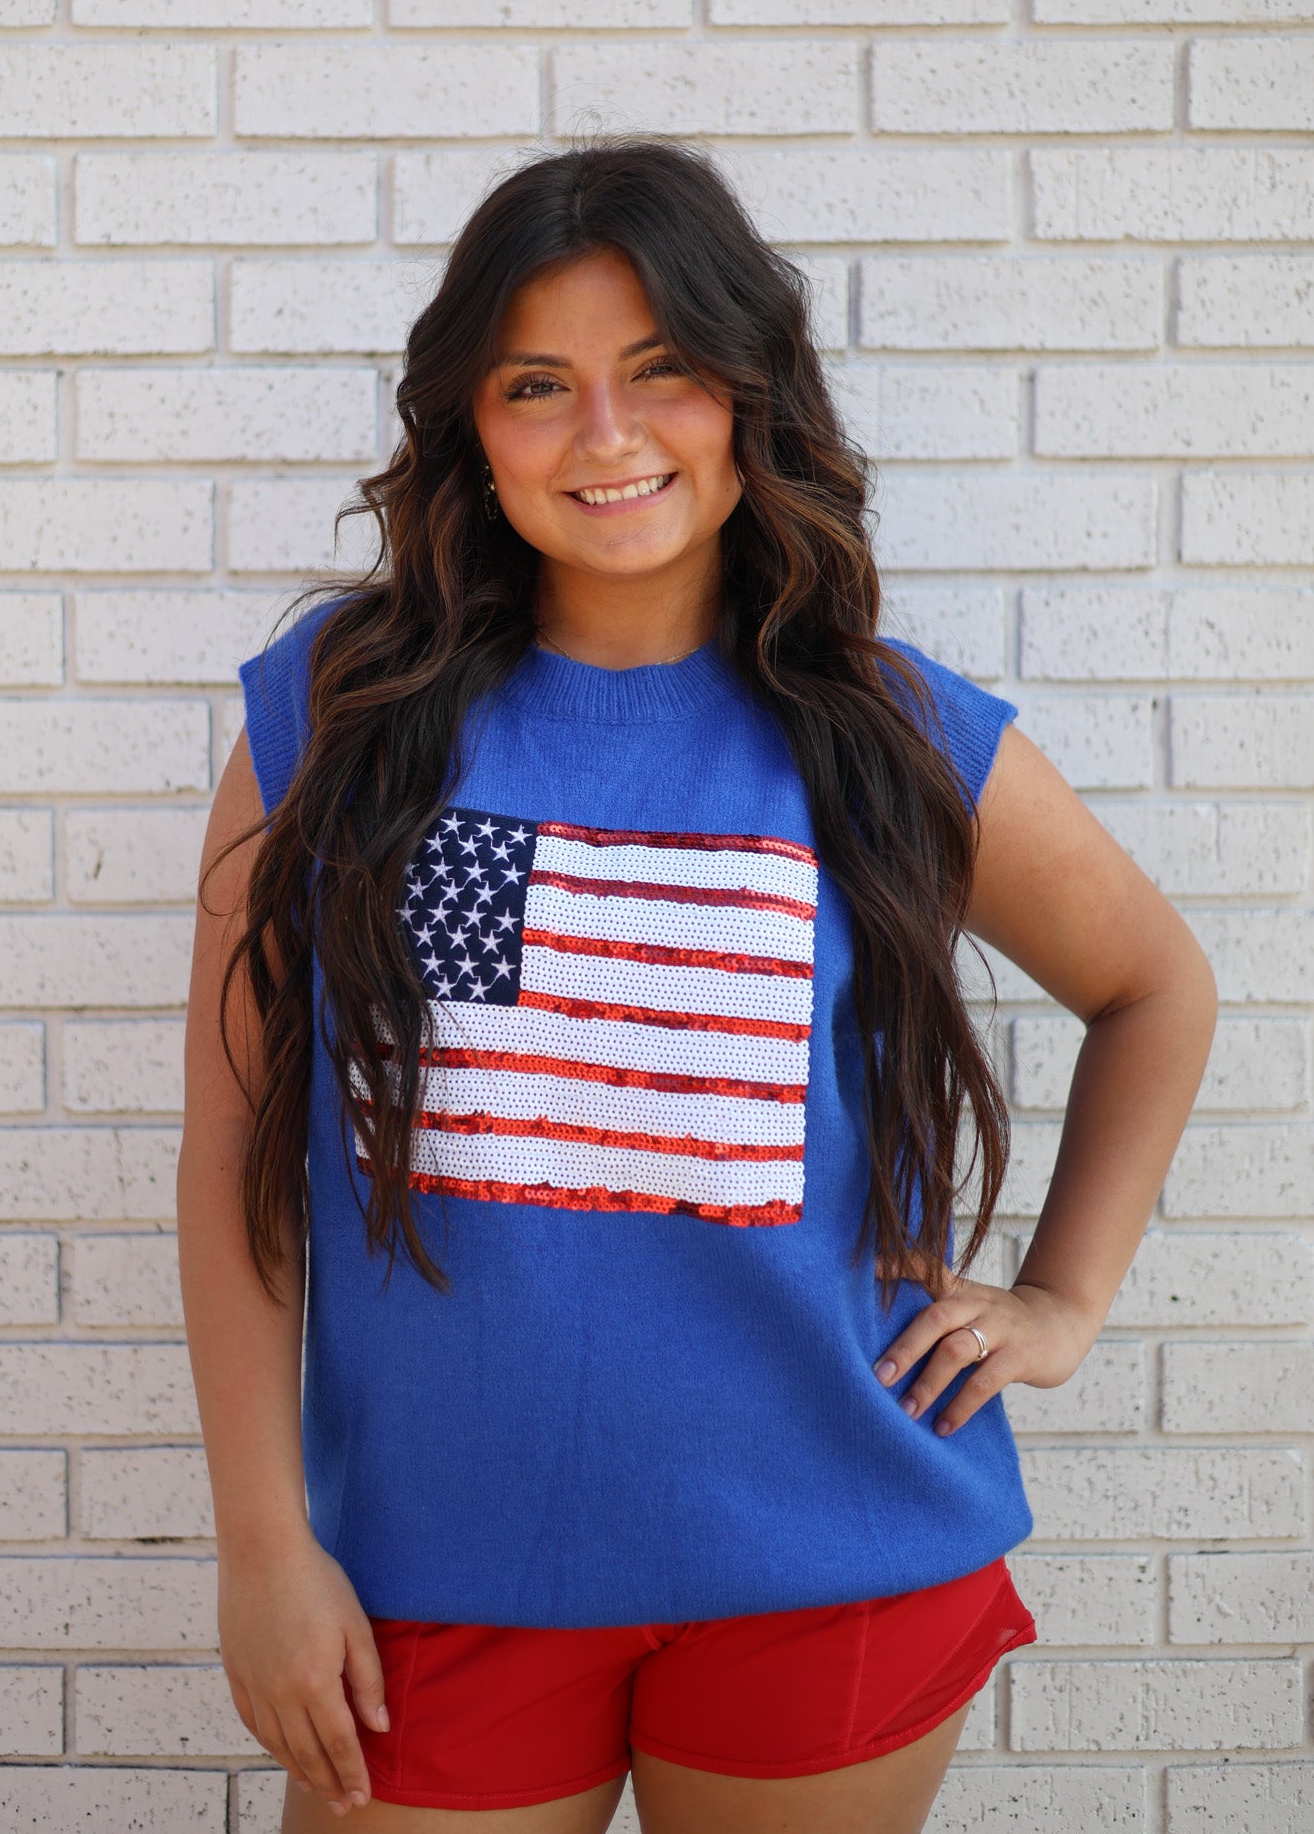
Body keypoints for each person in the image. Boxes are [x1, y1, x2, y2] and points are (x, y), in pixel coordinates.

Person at [178, 140, 1218, 1834]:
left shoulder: (886, 731)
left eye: (662, 371)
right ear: (470, 427)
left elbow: (1156, 986)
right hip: (433, 1581)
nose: (608, 435)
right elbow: (239, 1158)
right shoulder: (335, 724)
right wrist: (260, 1542)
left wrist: (1062, 1301)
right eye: (540, 386)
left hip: (834, 1555)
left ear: (748, 394)